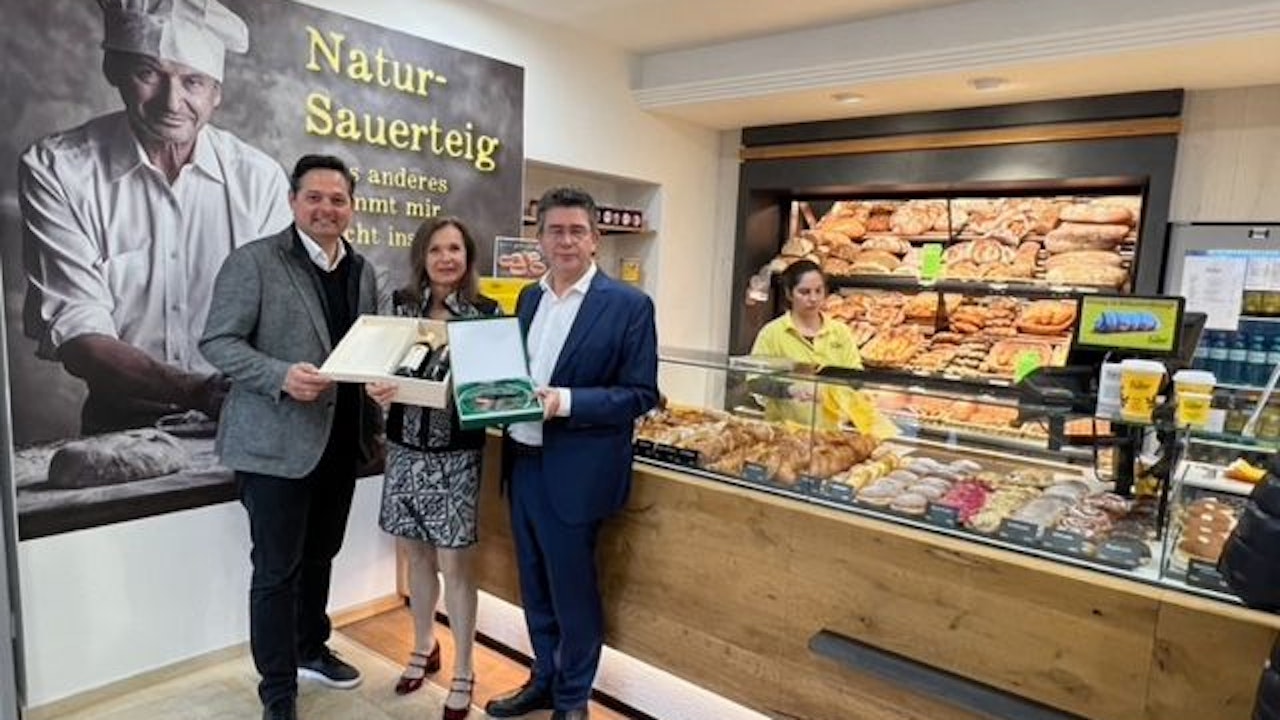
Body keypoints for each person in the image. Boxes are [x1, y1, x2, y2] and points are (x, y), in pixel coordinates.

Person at [18, 0, 292, 434]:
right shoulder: (58, 169)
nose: (172, 102)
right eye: (148, 73)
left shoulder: (259, 180)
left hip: (243, 424)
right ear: (113, 70)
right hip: (120, 429)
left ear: (216, 93)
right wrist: (199, 392)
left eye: (193, 81)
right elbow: (78, 332)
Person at [199, 155, 382, 720]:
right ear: (293, 201)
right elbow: (217, 342)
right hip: (274, 448)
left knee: (321, 555)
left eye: (338, 199)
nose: (327, 209)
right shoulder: (254, 261)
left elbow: (367, 348)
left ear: (352, 206)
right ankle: (277, 691)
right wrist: (279, 376)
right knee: (276, 571)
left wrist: (384, 381)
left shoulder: (362, 270)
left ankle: (310, 647)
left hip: (341, 444)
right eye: (314, 197)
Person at [484, 187, 658, 720]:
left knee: (572, 593)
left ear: (595, 239)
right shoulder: (528, 298)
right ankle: (544, 678)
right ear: (538, 239)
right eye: (555, 231)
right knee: (533, 584)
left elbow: (640, 394)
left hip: (578, 473)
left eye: (576, 231)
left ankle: (572, 699)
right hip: (522, 463)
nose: (566, 241)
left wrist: (563, 402)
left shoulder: (629, 305)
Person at [365, 217, 499, 720]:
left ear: (468, 257)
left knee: (456, 565)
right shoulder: (400, 306)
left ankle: (465, 669)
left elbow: (494, 387)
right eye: (436, 249)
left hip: (456, 456)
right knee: (416, 558)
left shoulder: (486, 314)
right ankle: (423, 644)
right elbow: (378, 368)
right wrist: (376, 387)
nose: (446, 258)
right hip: (404, 450)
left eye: (455, 249)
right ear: (422, 256)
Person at [749, 259, 864, 426]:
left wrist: (832, 392)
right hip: (784, 430)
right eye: (804, 292)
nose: (813, 298)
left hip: (830, 432)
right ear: (789, 293)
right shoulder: (772, 333)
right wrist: (789, 389)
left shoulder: (841, 332)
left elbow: (856, 379)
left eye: (819, 291)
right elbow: (755, 380)